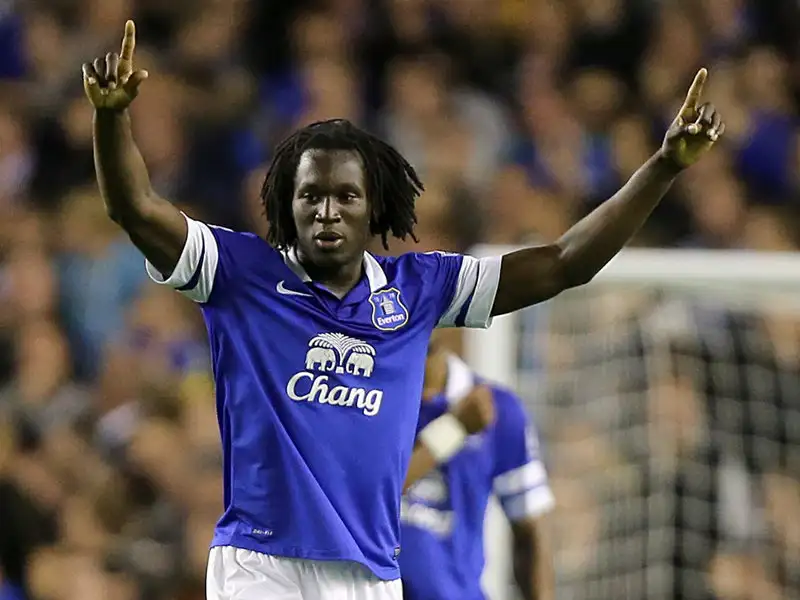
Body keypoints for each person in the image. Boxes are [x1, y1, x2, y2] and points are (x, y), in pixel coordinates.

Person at [81, 20, 723, 600]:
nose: (327, 211)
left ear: (375, 208)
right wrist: (112, 118)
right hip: (260, 565)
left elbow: (563, 262)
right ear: (287, 203)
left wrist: (664, 165)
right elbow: (134, 208)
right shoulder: (241, 273)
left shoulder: (419, 289)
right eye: (310, 195)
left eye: (346, 196)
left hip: (370, 577)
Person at [400, 335, 554, 600]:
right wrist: (454, 429)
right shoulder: (355, 399)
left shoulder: (499, 409)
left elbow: (530, 533)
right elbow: (370, 493)